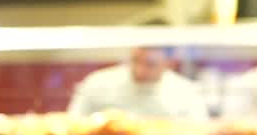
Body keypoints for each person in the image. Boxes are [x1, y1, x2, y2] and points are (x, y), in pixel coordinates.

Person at [67, 47, 209, 121]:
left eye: (150, 64)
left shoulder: (187, 93)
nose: (139, 70)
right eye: (135, 60)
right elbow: (71, 125)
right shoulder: (97, 83)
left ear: (169, 63)